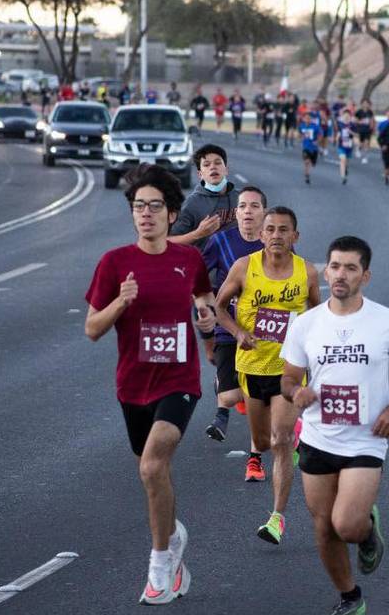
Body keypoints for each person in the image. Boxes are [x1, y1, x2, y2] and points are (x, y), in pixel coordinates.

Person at [84, 164, 217, 605]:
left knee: (152, 466)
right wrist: (120, 302)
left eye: (154, 206)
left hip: (179, 379)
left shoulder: (188, 259)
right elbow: (92, 329)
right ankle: (173, 535)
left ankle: (160, 563)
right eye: (138, 206)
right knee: (153, 472)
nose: (145, 214)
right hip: (133, 386)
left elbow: (203, 296)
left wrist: (206, 314)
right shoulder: (115, 263)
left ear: (171, 213)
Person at [281, 236, 389, 615]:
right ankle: (349, 596)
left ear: (366, 275)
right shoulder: (306, 324)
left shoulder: (388, 321)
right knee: (324, 527)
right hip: (317, 435)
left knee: (346, 524)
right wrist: (297, 393)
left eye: (350, 268)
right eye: (335, 266)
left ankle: (366, 530)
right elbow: (289, 377)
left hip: (366, 438)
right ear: (326, 270)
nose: (341, 274)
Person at [214, 207, 321, 539]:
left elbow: (319, 316)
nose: (277, 235)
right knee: (261, 441)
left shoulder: (306, 273)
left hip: (289, 371)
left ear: (295, 236)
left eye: (284, 230)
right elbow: (218, 307)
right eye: (271, 229)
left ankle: (276, 518)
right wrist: (238, 333)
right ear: (261, 235)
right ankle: (294, 434)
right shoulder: (245, 267)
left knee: (280, 440)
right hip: (251, 368)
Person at [199, 186, 267, 443]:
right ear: (236, 213)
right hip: (228, 325)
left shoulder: (274, 242)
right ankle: (223, 396)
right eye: (242, 206)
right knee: (232, 396)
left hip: (265, 329)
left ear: (265, 213)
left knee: (262, 393)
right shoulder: (220, 241)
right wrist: (203, 302)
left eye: (254, 206)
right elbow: (199, 276)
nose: (248, 211)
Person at [171, 144, 240, 248]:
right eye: (206, 165)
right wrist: (198, 234)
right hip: (206, 262)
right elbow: (169, 241)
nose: (213, 167)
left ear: (226, 169)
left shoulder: (242, 198)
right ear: (200, 174)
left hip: (239, 261)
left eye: (218, 163)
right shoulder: (191, 204)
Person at [336, 109, 357, 185]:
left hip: (349, 145)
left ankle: (346, 169)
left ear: (350, 116)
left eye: (348, 116)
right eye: (345, 116)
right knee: (342, 160)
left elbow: (356, 135)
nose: (346, 117)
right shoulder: (340, 124)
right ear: (343, 116)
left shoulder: (353, 125)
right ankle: (343, 177)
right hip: (341, 144)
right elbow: (338, 132)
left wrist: (350, 132)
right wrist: (336, 139)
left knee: (346, 161)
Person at [299, 113, 322, 185]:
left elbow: (321, 134)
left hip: (314, 148)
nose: (307, 120)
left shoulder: (315, 126)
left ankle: (312, 163)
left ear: (311, 119)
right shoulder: (301, 126)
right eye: (306, 118)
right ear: (304, 119)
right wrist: (300, 137)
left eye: (309, 118)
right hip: (306, 147)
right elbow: (300, 133)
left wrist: (317, 141)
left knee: (312, 163)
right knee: (306, 161)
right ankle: (307, 175)